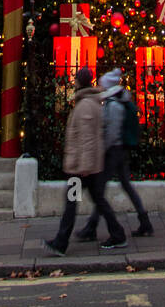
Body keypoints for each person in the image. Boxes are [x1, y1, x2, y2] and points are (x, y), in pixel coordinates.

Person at [44, 65, 127, 255]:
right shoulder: (89, 102)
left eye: (76, 79)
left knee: (72, 203)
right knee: (97, 200)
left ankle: (61, 241)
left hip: (80, 168)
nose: (74, 82)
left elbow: (87, 140)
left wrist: (84, 166)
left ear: (80, 82)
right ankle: (118, 233)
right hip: (86, 166)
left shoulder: (85, 105)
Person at [77, 68, 153, 240]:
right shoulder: (119, 100)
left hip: (113, 151)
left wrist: (103, 150)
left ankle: (92, 227)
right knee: (124, 185)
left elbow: (111, 132)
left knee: (99, 190)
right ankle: (144, 220)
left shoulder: (114, 105)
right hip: (120, 150)